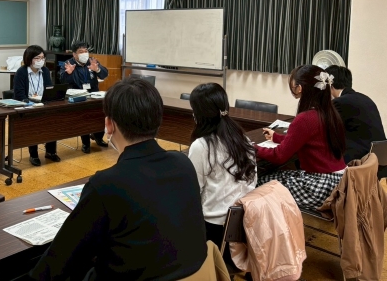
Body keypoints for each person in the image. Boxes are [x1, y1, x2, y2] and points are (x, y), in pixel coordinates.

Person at [29, 77, 207, 280]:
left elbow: (59, 261)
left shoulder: (106, 184)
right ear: (159, 119)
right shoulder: (183, 163)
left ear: (109, 124)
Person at [256, 64, 347, 209]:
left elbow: (279, 156)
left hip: (319, 186)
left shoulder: (305, 118)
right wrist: (277, 137)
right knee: (278, 174)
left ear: (299, 88)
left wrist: (252, 148)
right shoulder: (329, 113)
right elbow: (304, 140)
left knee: (258, 182)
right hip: (338, 181)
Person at [188, 83, 257, 261]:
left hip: (214, 230)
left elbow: (192, 192)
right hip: (245, 226)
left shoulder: (201, 146)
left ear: (198, 114)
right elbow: (253, 181)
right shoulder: (244, 139)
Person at [325, 65, 386, 163]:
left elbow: (325, 129)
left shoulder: (339, 102)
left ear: (329, 84)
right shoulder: (365, 98)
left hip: (359, 160)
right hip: (379, 158)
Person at [14, 45, 60, 166]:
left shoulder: (45, 71)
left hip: (43, 103)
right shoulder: (21, 72)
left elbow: (49, 89)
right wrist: (30, 102)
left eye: (43, 58)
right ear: (29, 59)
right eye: (37, 58)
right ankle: (33, 154)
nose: (41, 60)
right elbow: (19, 94)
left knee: (53, 121)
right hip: (28, 105)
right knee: (34, 124)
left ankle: (50, 152)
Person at [60, 42, 108, 154]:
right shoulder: (68, 64)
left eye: (86, 51)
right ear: (74, 54)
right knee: (84, 117)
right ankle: (86, 143)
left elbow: (104, 74)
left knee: (101, 113)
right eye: (81, 52)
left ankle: (98, 137)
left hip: (94, 94)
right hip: (77, 96)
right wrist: (68, 74)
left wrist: (98, 70)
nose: (84, 54)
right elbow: (63, 81)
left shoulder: (91, 61)